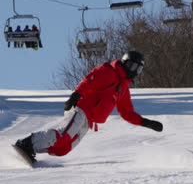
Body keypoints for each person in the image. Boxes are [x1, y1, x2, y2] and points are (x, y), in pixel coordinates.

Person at [12, 50, 162, 164]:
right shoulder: (110, 72)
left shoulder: (122, 89)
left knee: (64, 148)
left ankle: (32, 150)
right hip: (81, 107)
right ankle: (27, 143)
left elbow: (127, 112)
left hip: (89, 120)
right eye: (133, 66)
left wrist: (145, 122)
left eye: (138, 69)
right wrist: (75, 95)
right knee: (63, 134)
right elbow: (89, 80)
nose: (134, 71)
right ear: (125, 62)